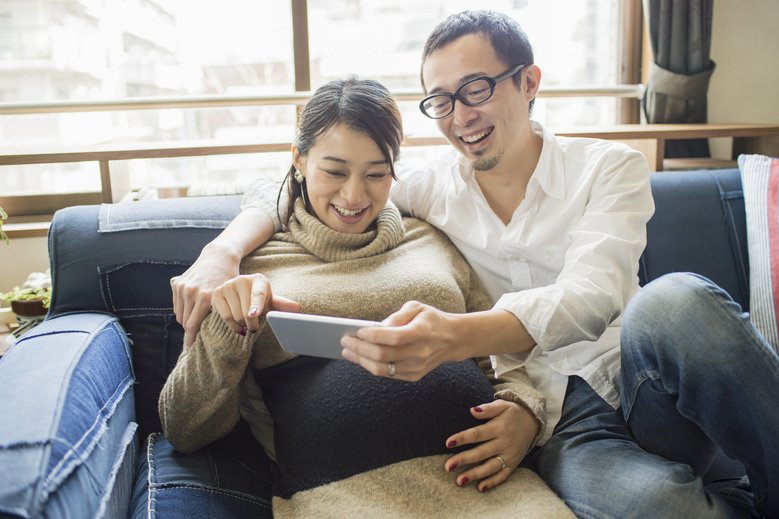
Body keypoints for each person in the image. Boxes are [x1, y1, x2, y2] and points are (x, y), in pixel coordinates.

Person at [171, 10, 779, 518]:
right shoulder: (426, 190)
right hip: (564, 426)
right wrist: (221, 251)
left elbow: (591, 296)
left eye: (477, 89)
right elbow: (306, 184)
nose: (461, 115)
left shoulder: (608, 168)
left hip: (643, 379)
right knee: (655, 508)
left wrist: (453, 337)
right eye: (441, 100)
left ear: (530, 82)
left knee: (676, 301)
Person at [160, 77, 574, 517]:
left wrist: (524, 410)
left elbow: (501, 352)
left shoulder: (430, 238)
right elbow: (183, 426)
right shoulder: (251, 265)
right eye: (335, 171)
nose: (354, 195)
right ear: (299, 160)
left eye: (377, 174)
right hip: (347, 496)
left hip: (490, 483)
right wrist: (231, 324)